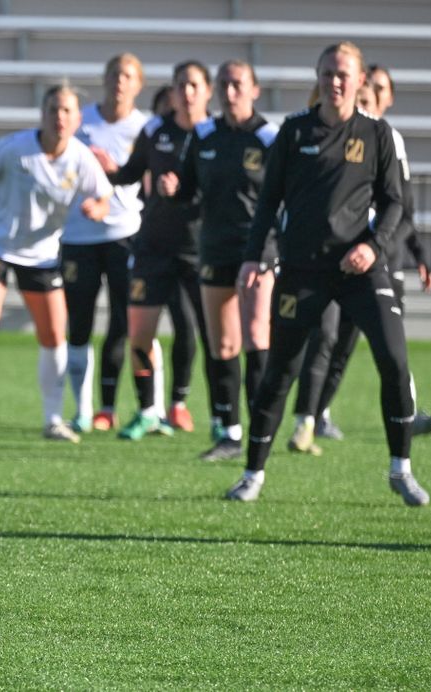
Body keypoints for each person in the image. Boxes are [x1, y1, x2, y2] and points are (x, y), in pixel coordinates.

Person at [225, 42, 427, 506]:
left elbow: (396, 202)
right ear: (317, 78)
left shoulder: (378, 134)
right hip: (301, 271)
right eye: (327, 73)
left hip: (359, 270)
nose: (334, 81)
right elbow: (267, 203)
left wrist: (373, 248)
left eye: (343, 74)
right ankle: (253, 472)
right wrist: (254, 257)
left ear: (359, 81)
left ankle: (401, 469)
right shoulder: (294, 132)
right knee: (280, 371)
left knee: (394, 362)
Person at [287, 66, 431, 454]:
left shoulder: (387, 140)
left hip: (380, 263)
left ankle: (401, 424)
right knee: (324, 340)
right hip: (333, 262)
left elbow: (402, 208)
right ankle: (308, 417)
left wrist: (399, 250)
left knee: (387, 352)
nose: (365, 107)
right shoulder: (328, 139)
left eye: (373, 99)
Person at [0, 85, 112, 442]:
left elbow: (104, 194)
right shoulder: (14, 147)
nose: (60, 117)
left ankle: (53, 419)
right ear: (43, 113)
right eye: (54, 109)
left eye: (67, 111)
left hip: (41, 254)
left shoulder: (81, 158)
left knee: (54, 334)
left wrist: (97, 209)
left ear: (78, 119)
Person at [158, 60, 278, 461]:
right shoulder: (204, 135)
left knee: (257, 337)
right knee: (222, 344)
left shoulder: (268, 138)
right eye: (224, 83)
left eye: (238, 84)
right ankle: (229, 432)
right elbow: (188, 191)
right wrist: (174, 188)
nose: (230, 91)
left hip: (256, 250)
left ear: (254, 89)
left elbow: (284, 200)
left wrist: (273, 250)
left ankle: (261, 430)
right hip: (214, 248)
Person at [94, 61, 213, 441]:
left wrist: (185, 189)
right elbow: (132, 173)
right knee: (140, 334)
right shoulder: (155, 129)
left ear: (206, 91)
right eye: (181, 85)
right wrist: (112, 171)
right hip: (153, 248)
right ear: (173, 92)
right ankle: (147, 411)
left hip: (199, 249)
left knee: (210, 337)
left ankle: (222, 418)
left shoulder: (216, 135)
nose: (187, 92)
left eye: (194, 85)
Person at [60, 53, 152, 434]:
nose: (119, 80)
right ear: (104, 78)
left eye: (127, 75)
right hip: (79, 237)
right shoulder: (82, 122)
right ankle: (81, 410)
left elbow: (146, 181)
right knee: (79, 324)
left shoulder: (144, 128)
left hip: (124, 236)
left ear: (138, 84)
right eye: (114, 73)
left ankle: (116, 406)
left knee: (124, 322)